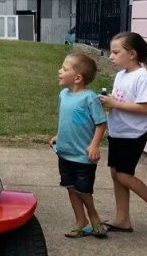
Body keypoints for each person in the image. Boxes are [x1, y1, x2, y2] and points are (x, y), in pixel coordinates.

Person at [98, 31, 147, 235]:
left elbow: (144, 108)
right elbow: (121, 101)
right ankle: (122, 218)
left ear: (132, 54)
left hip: (133, 134)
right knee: (116, 174)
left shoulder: (143, 76)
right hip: (118, 131)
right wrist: (109, 105)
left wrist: (114, 103)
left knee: (124, 175)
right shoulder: (122, 75)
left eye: (116, 52)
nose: (111, 56)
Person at [48, 53, 108, 238]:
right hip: (64, 152)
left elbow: (101, 123)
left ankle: (93, 215)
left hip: (83, 155)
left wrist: (95, 145)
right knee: (71, 187)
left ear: (77, 78)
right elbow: (69, 120)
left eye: (64, 69)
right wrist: (59, 135)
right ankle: (80, 220)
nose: (60, 71)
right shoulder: (63, 95)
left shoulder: (89, 98)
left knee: (83, 189)